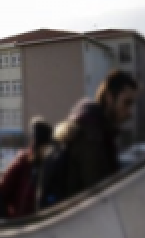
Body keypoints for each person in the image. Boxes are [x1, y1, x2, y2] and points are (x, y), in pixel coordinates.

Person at [42, 69, 139, 207]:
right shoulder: (92, 137)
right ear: (109, 98)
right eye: (126, 103)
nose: (130, 112)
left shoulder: (95, 129)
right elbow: (99, 199)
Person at [0, 117, 55, 218]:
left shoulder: (47, 164)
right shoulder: (23, 161)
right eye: (46, 146)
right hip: (20, 221)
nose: (48, 150)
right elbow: (3, 190)